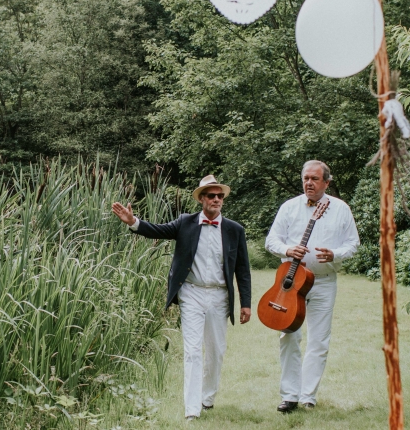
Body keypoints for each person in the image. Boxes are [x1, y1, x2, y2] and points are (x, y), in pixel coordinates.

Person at [111, 175, 251, 421]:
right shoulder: (185, 223)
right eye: (211, 195)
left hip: (220, 295)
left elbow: (243, 269)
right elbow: (157, 230)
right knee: (193, 350)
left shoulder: (234, 229)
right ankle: (192, 409)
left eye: (220, 196)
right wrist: (133, 222)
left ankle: (207, 398)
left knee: (216, 351)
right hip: (191, 293)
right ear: (201, 199)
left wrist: (246, 304)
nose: (217, 199)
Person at [265, 160, 359, 413]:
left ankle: (308, 396)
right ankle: (289, 395)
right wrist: (286, 248)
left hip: (323, 283)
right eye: (306, 178)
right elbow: (271, 240)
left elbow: (353, 243)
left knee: (319, 341)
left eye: (315, 179)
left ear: (326, 183)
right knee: (289, 337)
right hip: (291, 283)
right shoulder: (289, 207)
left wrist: (336, 254)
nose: (309, 183)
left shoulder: (340, 208)